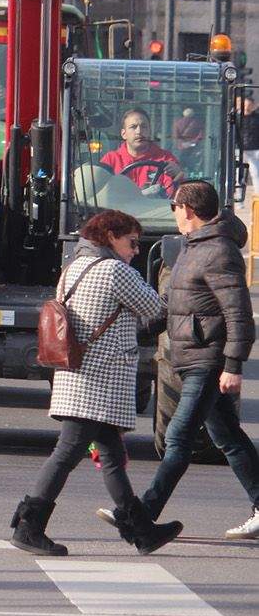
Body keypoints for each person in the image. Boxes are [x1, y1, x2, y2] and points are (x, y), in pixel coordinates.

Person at [8, 210, 177, 556]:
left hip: (76, 376)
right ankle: (29, 526)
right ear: (111, 236)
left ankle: (142, 531)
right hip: (98, 381)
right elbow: (156, 309)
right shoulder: (114, 270)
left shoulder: (74, 268)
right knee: (67, 452)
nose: (135, 250)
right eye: (131, 243)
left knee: (112, 455)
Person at [111, 180, 259, 540]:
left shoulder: (219, 251)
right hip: (191, 356)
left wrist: (234, 366)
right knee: (228, 437)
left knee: (178, 438)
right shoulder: (193, 248)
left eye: (174, 207)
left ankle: (142, 516)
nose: (174, 213)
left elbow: (240, 315)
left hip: (207, 360)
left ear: (188, 210)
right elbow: (176, 307)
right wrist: (131, 333)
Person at [99, 108, 182, 197]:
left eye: (144, 126)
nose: (139, 131)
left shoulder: (166, 159)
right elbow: (100, 194)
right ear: (124, 134)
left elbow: (173, 197)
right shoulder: (110, 160)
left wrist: (177, 176)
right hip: (118, 210)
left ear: (149, 131)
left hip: (155, 210)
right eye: (133, 127)